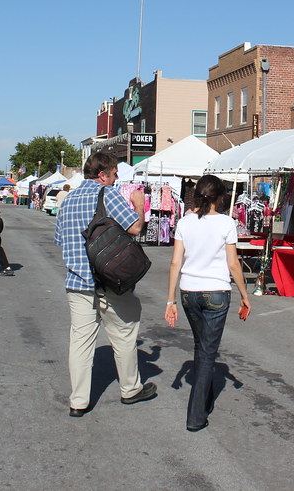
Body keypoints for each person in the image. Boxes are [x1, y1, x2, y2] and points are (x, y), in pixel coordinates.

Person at [53, 152, 154, 418]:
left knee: (81, 343)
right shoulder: (107, 194)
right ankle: (130, 389)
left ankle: (78, 401)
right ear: (102, 175)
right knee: (124, 333)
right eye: (114, 173)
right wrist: (139, 205)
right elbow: (135, 228)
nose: (116, 178)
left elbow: (60, 240)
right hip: (109, 281)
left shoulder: (68, 199)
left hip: (77, 281)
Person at [165, 174, 251, 432]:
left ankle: (205, 397)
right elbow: (233, 264)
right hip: (216, 291)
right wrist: (245, 295)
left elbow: (175, 262)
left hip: (189, 291)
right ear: (220, 197)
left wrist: (170, 300)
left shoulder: (185, 222)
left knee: (201, 344)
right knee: (207, 350)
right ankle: (196, 415)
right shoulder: (226, 223)